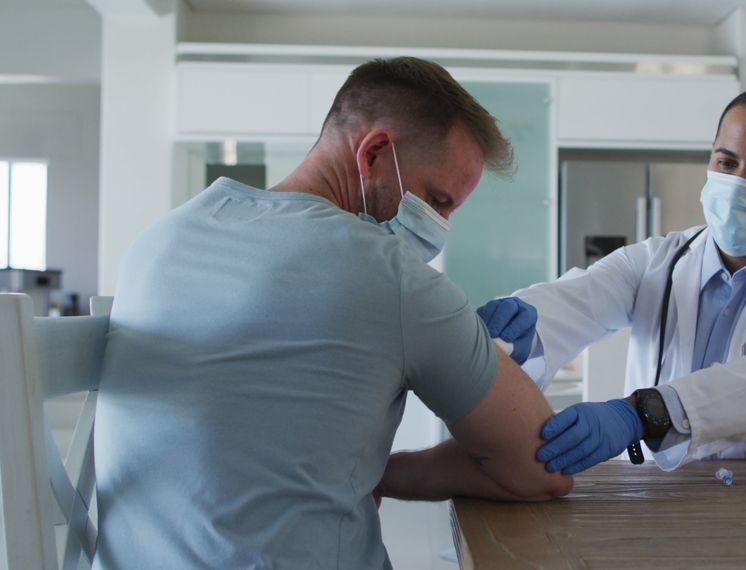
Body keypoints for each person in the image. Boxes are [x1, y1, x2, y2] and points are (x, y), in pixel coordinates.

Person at [93, 57, 571, 570]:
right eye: (437, 200)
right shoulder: (392, 278)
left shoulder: (156, 242)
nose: (440, 226)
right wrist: (386, 474)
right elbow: (542, 467)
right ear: (375, 153)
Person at [478, 85, 746, 475]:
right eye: (726, 162)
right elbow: (582, 298)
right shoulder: (655, 261)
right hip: (661, 498)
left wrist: (645, 413)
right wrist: (527, 321)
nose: (739, 182)